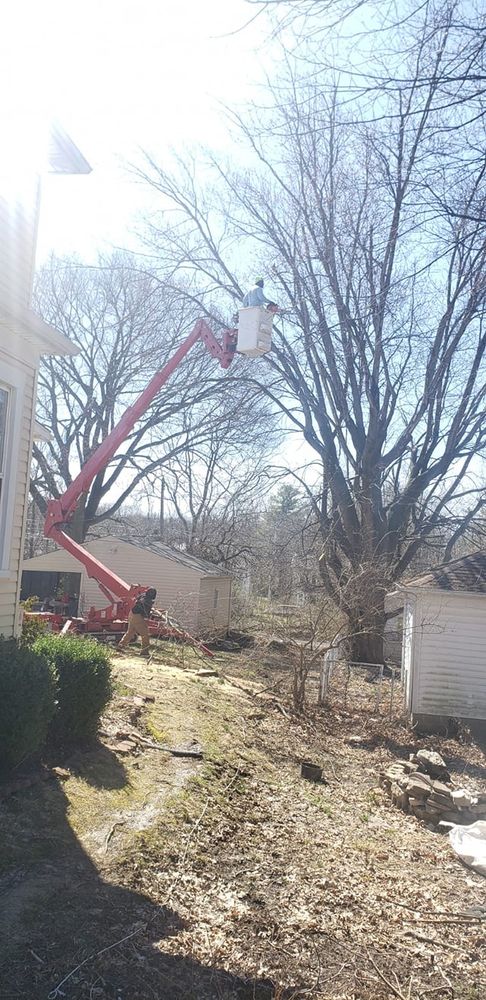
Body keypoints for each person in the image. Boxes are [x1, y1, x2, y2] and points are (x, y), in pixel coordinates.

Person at [117, 587, 161, 656]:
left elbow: (138, 600)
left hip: (131, 614)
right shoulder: (148, 602)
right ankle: (144, 652)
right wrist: (155, 616)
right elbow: (146, 615)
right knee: (145, 634)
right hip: (137, 616)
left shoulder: (143, 595)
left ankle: (120, 646)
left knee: (130, 632)